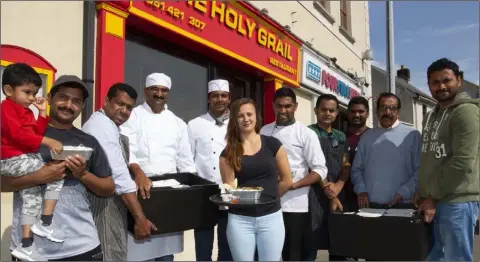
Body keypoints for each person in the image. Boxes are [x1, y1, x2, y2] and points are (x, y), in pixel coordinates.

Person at [4, 74, 115, 261]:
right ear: (49, 98)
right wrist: (41, 176)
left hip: (82, 247)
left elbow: (109, 188)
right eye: (63, 97)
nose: (68, 105)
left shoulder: (89, 141)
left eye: (76, 101)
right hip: (29, 252)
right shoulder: (23, 133)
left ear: (81, 107)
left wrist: (82, 174)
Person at [121, 72, 196, 261]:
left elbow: (185, 160)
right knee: (140, 250)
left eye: (164, 90)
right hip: (141, 191)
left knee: (165, 252)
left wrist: (193, 191)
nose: (159, 94)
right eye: (154, 89)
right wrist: (137, 171)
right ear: (146, 91)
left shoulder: (178, 122)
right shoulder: (133, 116)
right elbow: (127, 149)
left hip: (170, 193)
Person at [82, 83, 157, 261]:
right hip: (103, 207)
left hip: (115, 205)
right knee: (110, 255)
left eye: (129, 107)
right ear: (106, 101)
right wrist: (140, 218)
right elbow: (119, 175)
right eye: (119, 104)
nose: (124, 111)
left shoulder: (110, 125)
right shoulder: (100, 126)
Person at [415, 58, 479, 261]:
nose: (441, 86)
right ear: (428, 85)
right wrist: (423, 190)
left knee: (456, 258)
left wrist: (432, 197)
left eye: (446, 80)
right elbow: (430, 158)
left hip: (456, 202)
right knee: (433, 257)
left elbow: (462, 163)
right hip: (433, 201)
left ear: (459, 80)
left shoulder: (466, 112)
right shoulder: (431, 115)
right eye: (435, 82)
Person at [0, 63, 65, 261]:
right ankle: (46, 221)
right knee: (55, 172)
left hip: (23, 158)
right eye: (27, 92)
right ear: (8, 90)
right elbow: (18, 134)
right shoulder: (6, 108)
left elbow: (34, 133)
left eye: (34, 93)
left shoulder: (27, 111)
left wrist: (42, 114)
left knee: (32, 195)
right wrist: (48, 141)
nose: (31, 97)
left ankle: (26, 244)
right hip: (10, 159)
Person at [220, 98, 293, 261]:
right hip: (240, 220)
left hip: (271, 218)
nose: (246, 119)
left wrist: (268, 199)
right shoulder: (227, 153)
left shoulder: (273, 144)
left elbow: (287, 180)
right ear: (234, 120)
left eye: (249, 114)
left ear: (256, 116)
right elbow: (229, 188)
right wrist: (229, 196)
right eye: (240, 116)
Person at [259, 87, 328, 261]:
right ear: (273, 106)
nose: (283, 111)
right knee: (269, 252)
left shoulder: (306, 134)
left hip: (295, 205)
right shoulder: (264, 132)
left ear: (295, 106)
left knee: (292, 254)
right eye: (279, 106)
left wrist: (293, 185)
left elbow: (320, 169)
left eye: (288, 106)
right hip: (267, 204)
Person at [187, 79, 233, 261]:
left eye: (224, 96)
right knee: (203, 245)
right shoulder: (194, 124)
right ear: (208, 98)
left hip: (230, 192)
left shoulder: (238, 124)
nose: (219, 99)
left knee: (227, 245)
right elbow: (187, 159)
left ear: (229, 98)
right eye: (215, 96)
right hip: (203, 193)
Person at [351, 92, 420, 209]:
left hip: (403, 205)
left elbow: (420, 171)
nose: (387, 112)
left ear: (398, 112)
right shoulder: (367, 136)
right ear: (377, 111)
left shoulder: (412, 135)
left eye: (392, 108)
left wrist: (404, 192)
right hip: (371, 206)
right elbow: (356, 169)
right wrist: (361, 190)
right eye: (383, 107)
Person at [308, 94, 352, 261]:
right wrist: (328, 188)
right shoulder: (308, 132)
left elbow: (345, 165)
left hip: (337, 192)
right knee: (311, 242)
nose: (327, 113)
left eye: (331, 110)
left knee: (338, 242)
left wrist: (338, 187)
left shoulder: (341, 136)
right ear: (315, 110)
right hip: (314, 195)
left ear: (336, 113)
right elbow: (311, 165)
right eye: (323, 109)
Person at [345, 96, 370, 212]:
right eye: (353, 111)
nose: (356, 115)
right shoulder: (339, 137)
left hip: (368, 197)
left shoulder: (374, 137)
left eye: (361, 111)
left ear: (367, 113)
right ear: (347, 113)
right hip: (343, 197)